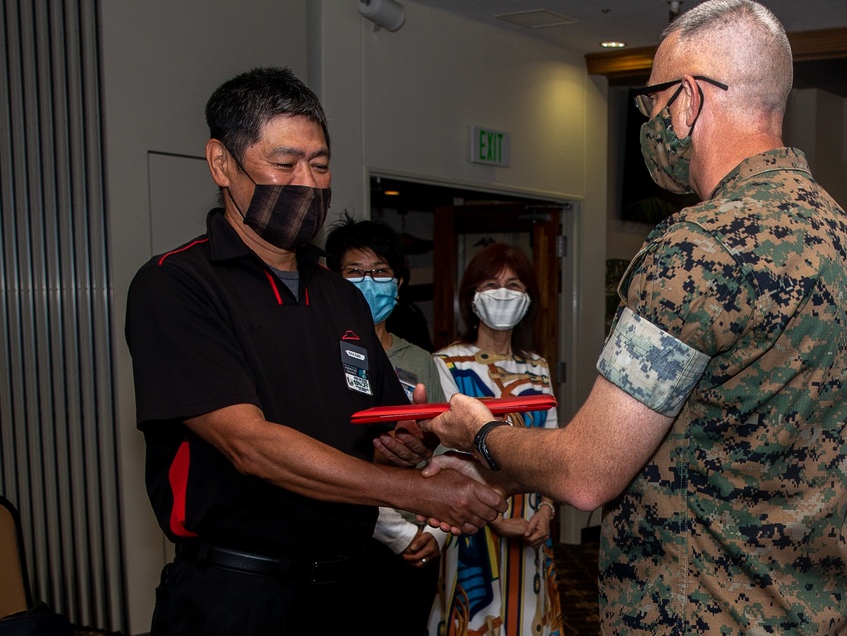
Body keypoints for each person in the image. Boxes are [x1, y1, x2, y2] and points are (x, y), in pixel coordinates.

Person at [421, 0, 847, 634]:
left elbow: (589, 473)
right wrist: (499, 477)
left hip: (701, 615)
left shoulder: (698, 248)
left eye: (652, 103)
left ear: (689, 99)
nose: (650, 123)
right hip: (814, 612)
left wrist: (479, 432)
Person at [124, 67, 503, 636]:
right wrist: (418, 490)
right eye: (284, 164)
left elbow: (365, 435)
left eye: (320, 165)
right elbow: (251, 445)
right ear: (222, 163)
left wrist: (404, 448)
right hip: (238, 598)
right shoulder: (176, 285)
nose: (308, 184)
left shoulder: (340, 297)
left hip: (350, 589)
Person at [430, 242, 562, 636]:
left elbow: (553, 445)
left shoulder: (537, 367)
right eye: (491, 283)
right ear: (471, 298)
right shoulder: (448, 363)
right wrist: (496, 518)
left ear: (528, 299)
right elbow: (445, 452)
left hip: (534, 524)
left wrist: (547, 511)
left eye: (514, 284)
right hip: (472, 524)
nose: (503, 292)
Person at [325, 214, 446, 635]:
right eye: (354, 272)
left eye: (380, 272)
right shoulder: (322, 358)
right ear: (332, 278)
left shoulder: (420, 362)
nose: (368, 281)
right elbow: (325, 454)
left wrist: (436, 532)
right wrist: (393, 533)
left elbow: (444, 449)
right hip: (348, 538)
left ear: (398, 282)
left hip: (417, 539)